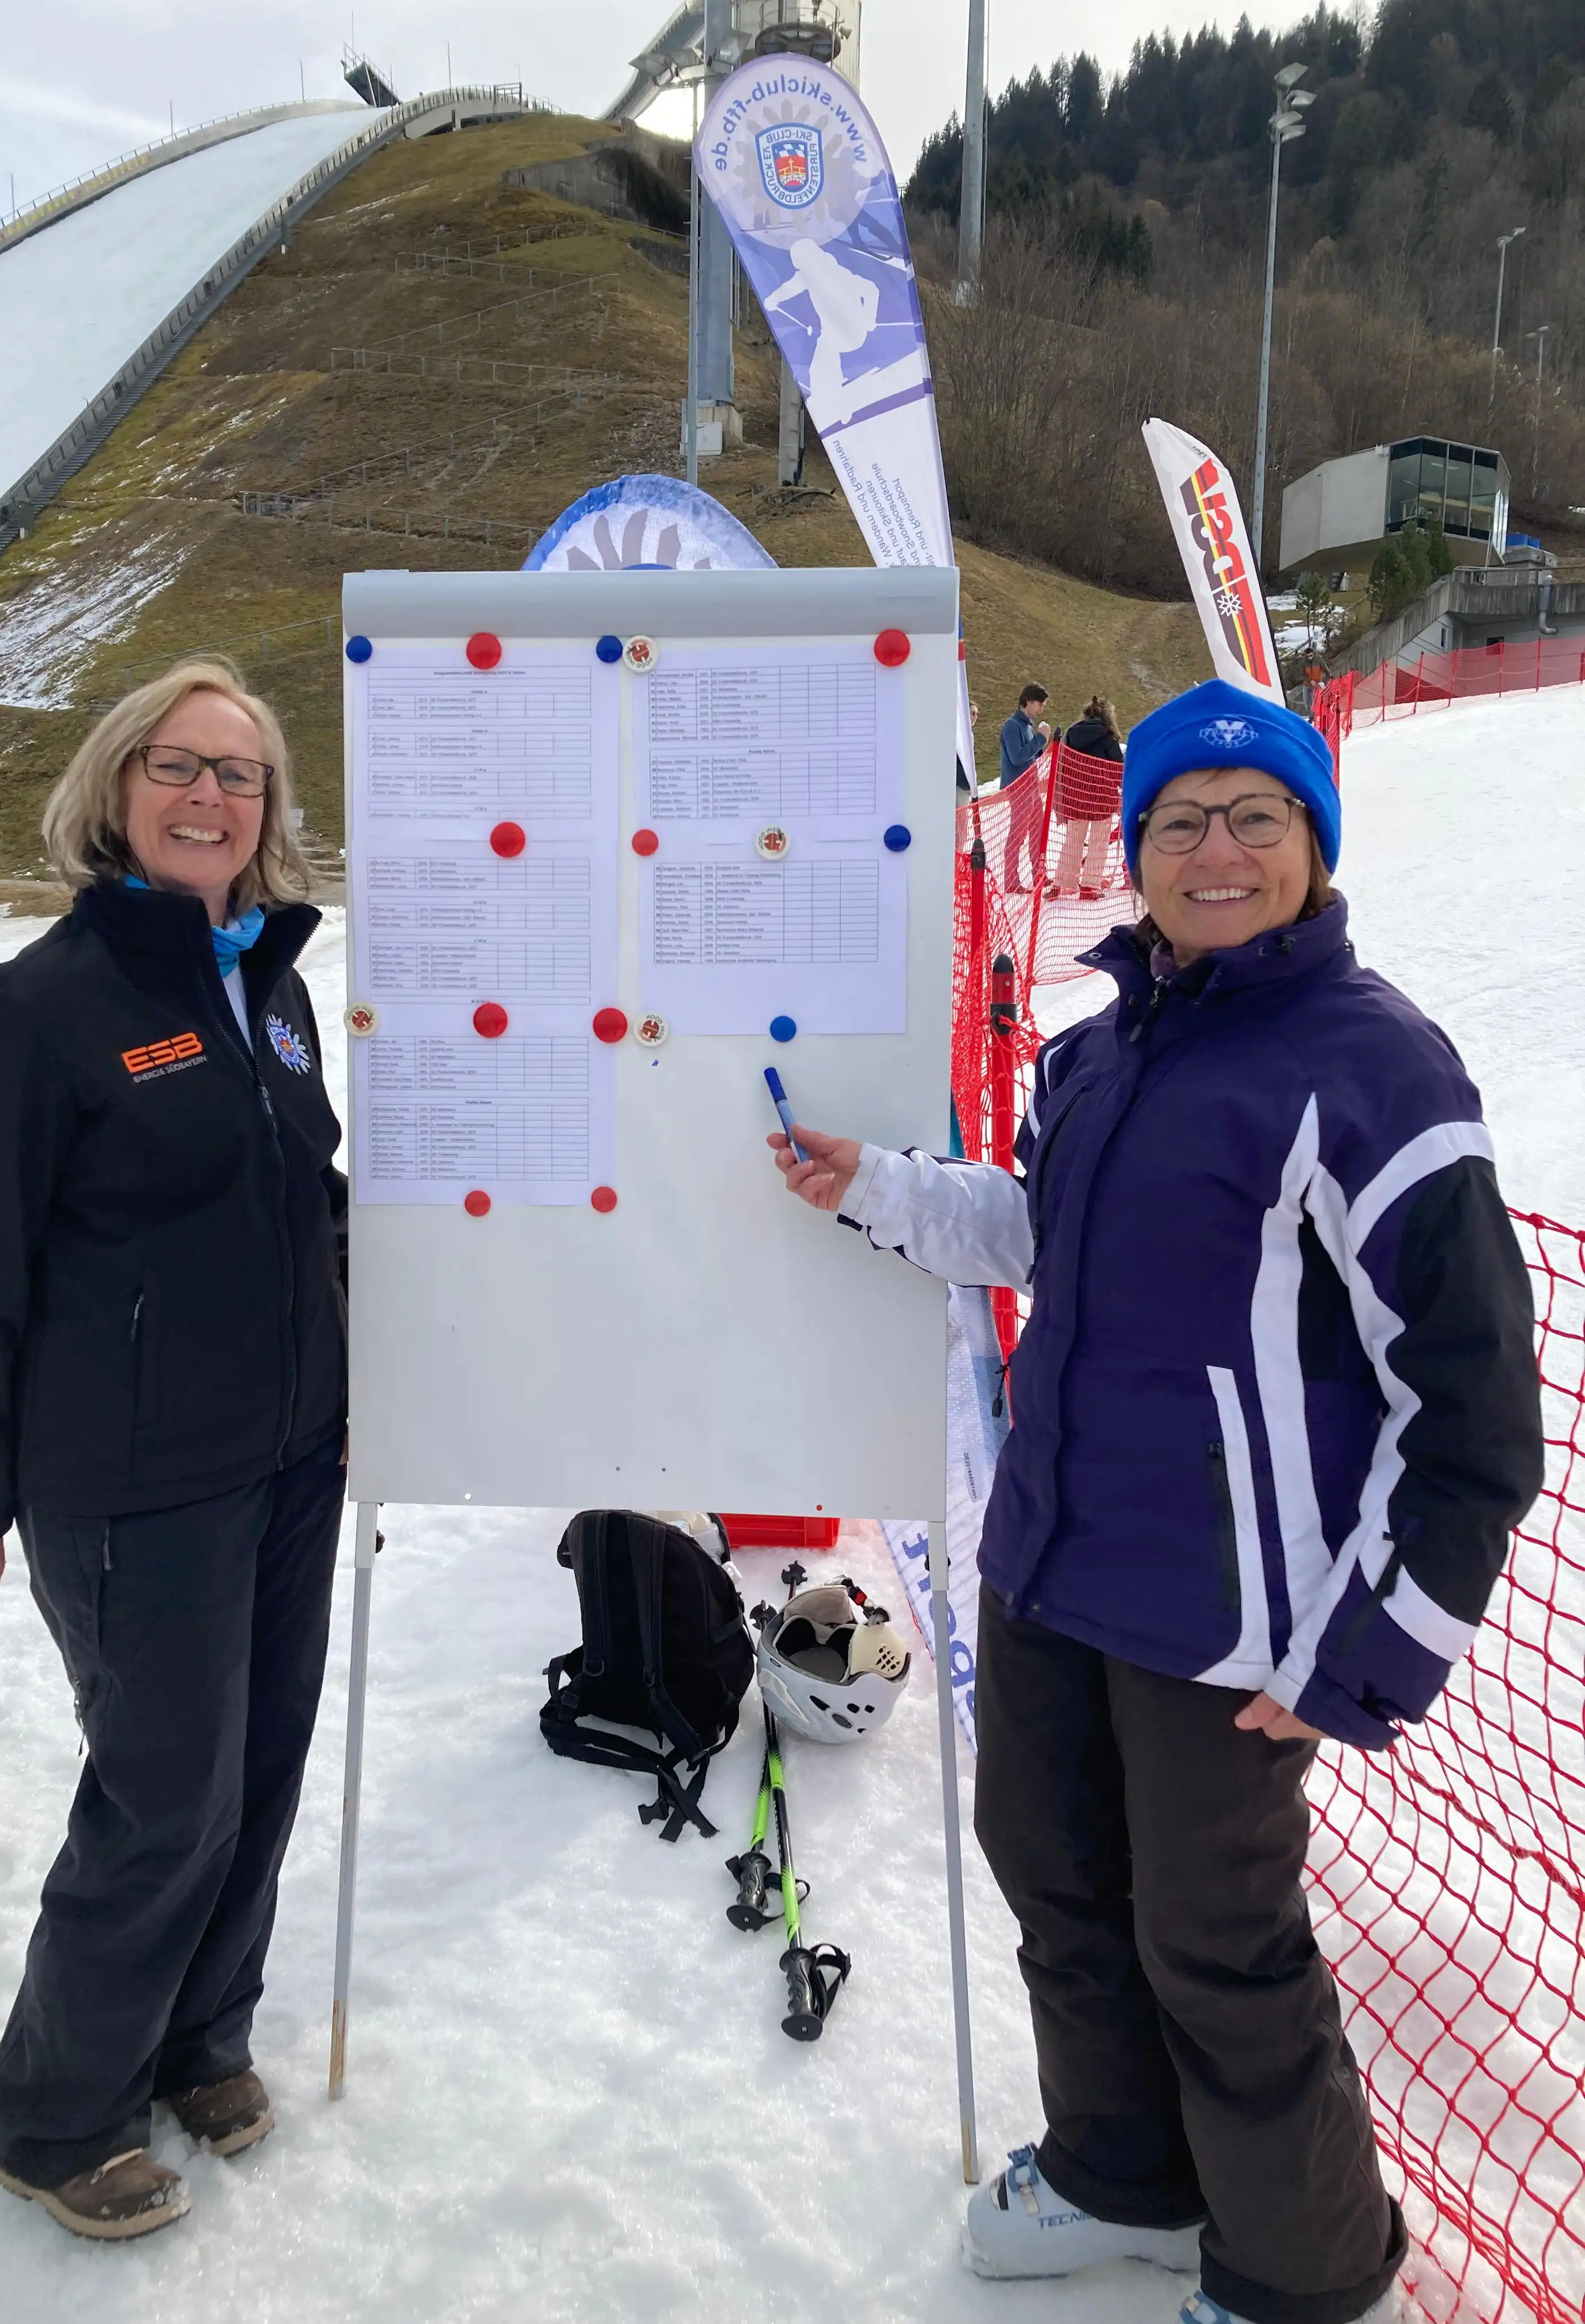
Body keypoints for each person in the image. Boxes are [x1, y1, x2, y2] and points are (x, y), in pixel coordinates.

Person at [767, 675, 1544, 2324]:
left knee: (1219, 1949)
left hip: (1235, 1624)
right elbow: (1048, 1242)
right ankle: (1127, 2174)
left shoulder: (1377, 1070)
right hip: (1053, 1565)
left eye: (1257, 817)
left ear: (1312, 850)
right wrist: (881, 1192)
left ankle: (1306, 2272)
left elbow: (1472, 1418)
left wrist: (1362, 1659)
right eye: (1181, 818)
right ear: (1132, 851)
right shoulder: (1095, 1056)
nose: (1215, 847)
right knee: (1050, 1872)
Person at [0, 658, 349, 2242]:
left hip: (293, 1456)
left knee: (261, 1770)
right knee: (164, 1795)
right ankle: (56, 2115)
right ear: (116, 788)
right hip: (129, 1484)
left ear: (267, 816)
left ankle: (199, 2032)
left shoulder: (272, 986)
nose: (209, 797)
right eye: (180, 766)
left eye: (240, 777)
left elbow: (305, 1194)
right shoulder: (32, 1011)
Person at [1048, 692, 1124, 901]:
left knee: (1073, 840)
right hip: (1102, 798)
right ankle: (1090, 887)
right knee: (1098, 842)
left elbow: (1063, 764)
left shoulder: (1072, 734)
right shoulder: (1109, 737)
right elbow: (1118, 767)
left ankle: (1062, 883)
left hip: (1077, 795)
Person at [998, 684, 1051, 892]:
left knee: (1037, 832)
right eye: (1040, 704)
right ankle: (1011, 881)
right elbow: (1017, 757)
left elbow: (1029, 756)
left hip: (1031, 786)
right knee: (1018, 835)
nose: (1042, 709)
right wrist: (1040, 739)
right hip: (1019, 787)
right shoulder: (1012, 725)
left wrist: (1040, 743)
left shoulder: (1027, 726)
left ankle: (1039, 873)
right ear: (1028, 702)